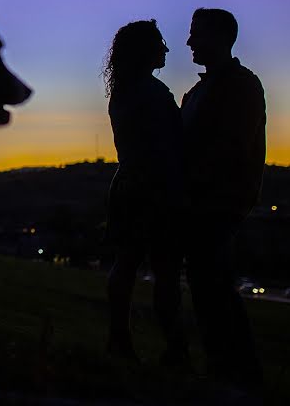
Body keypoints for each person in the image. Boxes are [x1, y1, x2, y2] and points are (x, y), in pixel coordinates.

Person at [181, 8, 266, 387]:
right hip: (197, 202)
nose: (189, 42)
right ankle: (223, 369)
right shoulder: (197, 91)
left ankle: (242, 375)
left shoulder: (242, 85)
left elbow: (232, 148)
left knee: (216, 287)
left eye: (196, 34)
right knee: (205, 287)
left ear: (221, 38)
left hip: (218, 203)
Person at [102, 20, 188, 366]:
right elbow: (173, 144)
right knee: (165, 272)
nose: (166, 50)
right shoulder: (151, 92)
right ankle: (175, 351)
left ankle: (120, 341)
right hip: (153, 189)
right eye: (159, 44)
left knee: (127, 265)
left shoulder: (125, 89)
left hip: (129, 185)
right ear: (144, 50)